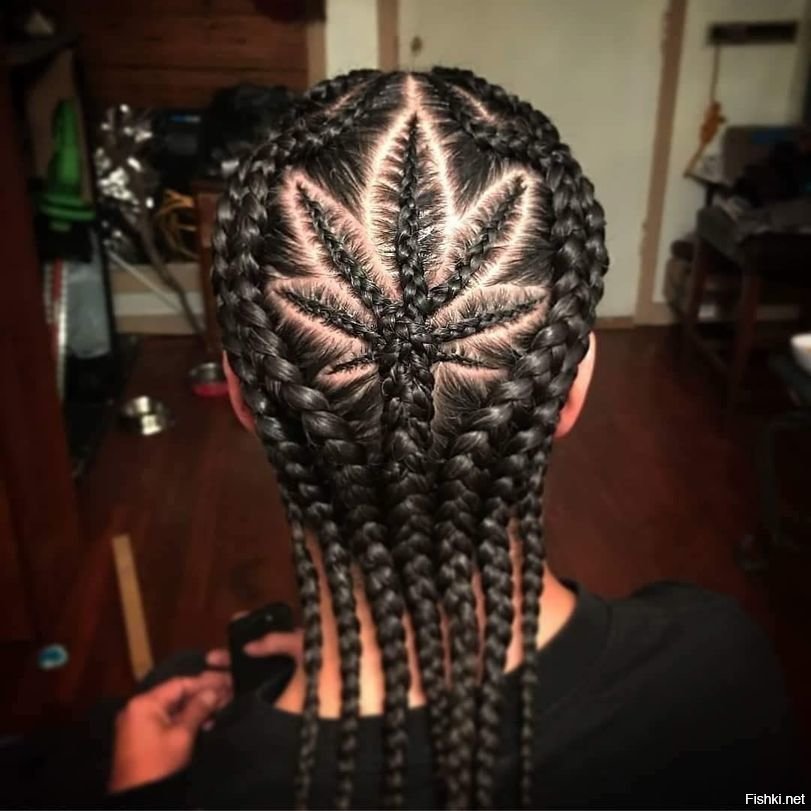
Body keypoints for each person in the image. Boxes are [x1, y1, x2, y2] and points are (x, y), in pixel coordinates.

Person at [15, 68, 799, 810]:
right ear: (572, 384)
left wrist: (143, 795)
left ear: (246, 396)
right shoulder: (721, 668)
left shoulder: (213, 788)